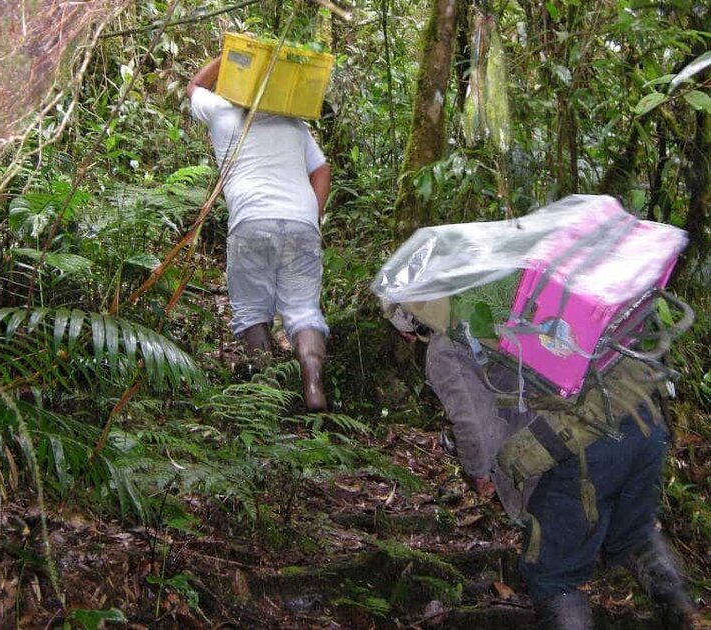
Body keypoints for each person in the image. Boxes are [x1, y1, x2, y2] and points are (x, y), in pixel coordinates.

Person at [391, 307, 696, 629]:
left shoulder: (447, 346)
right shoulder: (523, 292)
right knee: (633, 535)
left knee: (553, 576)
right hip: (637, 415)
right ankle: (688, 616)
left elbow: (480, 431)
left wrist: (480, 472)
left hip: (575, 446)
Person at [186, 54, 331, 411]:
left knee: (252, 309)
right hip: (301, 219)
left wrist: (233, 53)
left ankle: (266, 395)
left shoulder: (221, 111)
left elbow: (193, 87)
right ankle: (313, 386)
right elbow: (322, 171)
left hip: (252, 219)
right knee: (303, 309)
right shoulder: (293, 123)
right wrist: (311, 216)